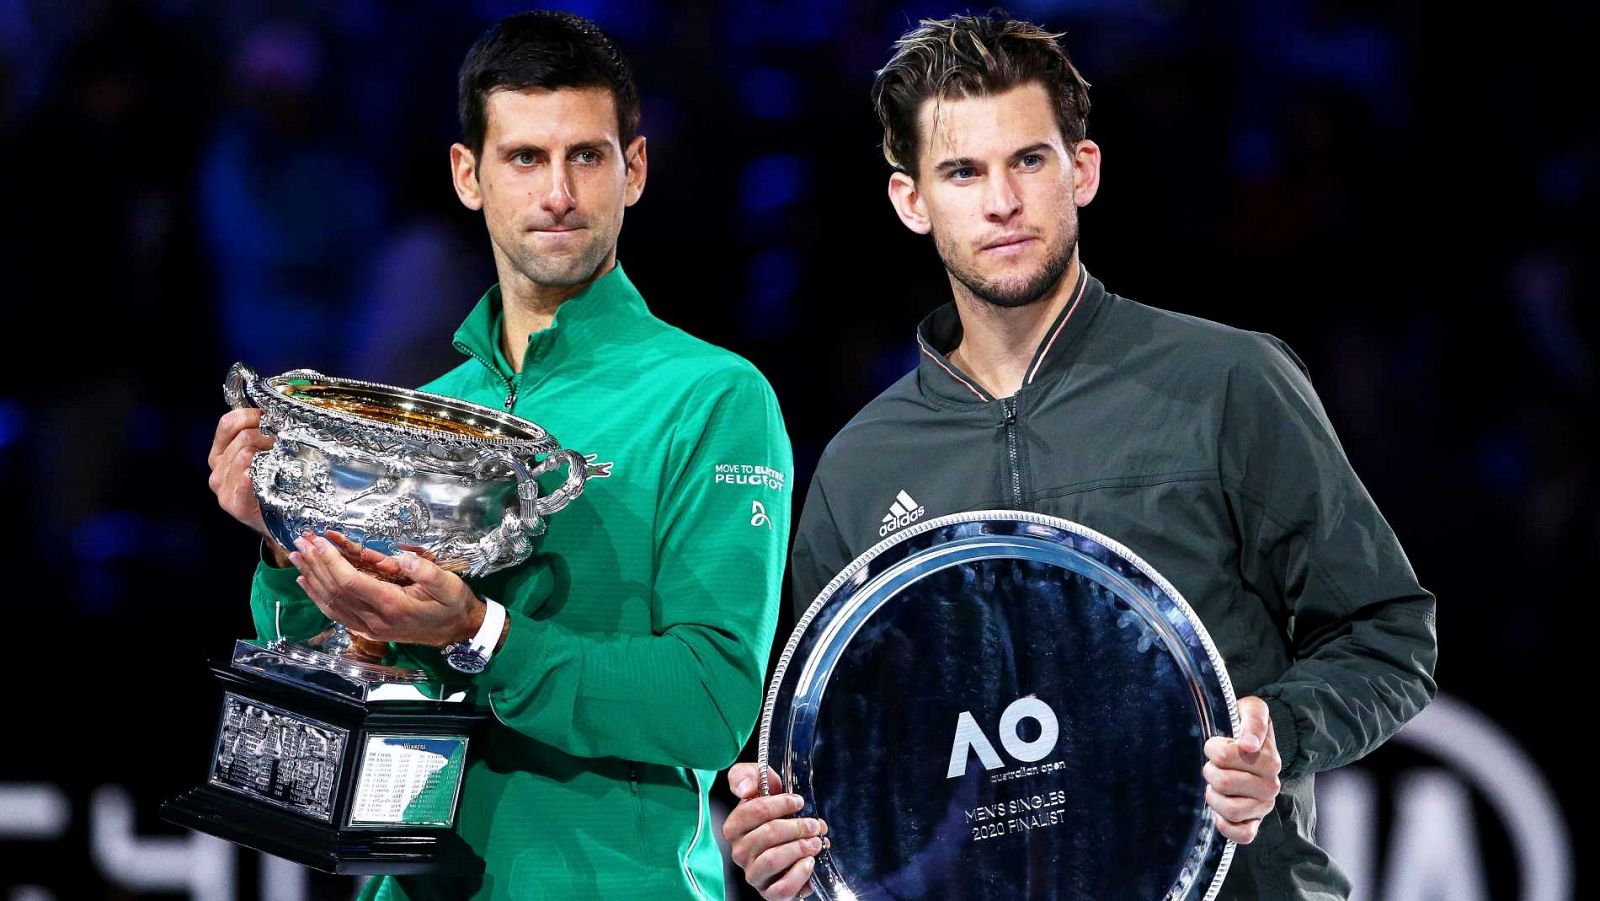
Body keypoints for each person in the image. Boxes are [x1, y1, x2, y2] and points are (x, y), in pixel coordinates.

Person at [722, 12, 1436, 900]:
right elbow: (853, 754)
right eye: (962, 171)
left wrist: (1279, 729)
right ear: (911, 200)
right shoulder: (860, 466)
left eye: (1029, 160)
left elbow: (1388, 631)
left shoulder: (1227, 379)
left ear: (1082, 170)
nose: (1001, 201)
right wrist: (786, 838)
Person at [206, 11, 793, 899]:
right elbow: (328, 674)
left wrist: (480, 634)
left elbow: (711, 705)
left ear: (633, 169)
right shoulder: (436, 409)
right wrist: (288, 541)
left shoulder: (716, 397)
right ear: (467, 175)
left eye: (586, 156)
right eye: (524, 157)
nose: (557, 192)